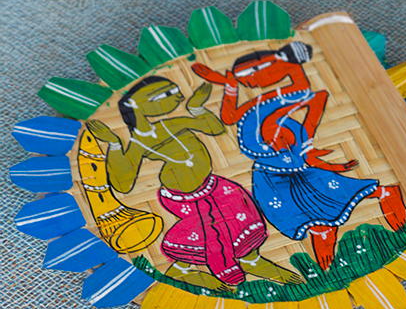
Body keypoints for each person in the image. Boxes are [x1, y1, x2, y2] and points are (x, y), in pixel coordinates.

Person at [192, 43, 406, 270]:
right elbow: (228, 117)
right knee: (302, 216)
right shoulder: (257, 102)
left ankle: (395, 217)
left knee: (339, 193)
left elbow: (318, 97)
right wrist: (230, 85)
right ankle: (327, 262)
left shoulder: (291, 93)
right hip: (268, 168)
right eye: (242, 76)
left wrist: (305, 146)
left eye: (250, 73)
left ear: (278, 65)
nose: (248, 80)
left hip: (291, 157)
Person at [86, 76, 301, 289]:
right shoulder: (139, 143)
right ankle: (185, 271)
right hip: (185, 198)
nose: (177, 96)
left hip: (215, 186)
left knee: (239, 222)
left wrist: (197, 108)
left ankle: (251, 260)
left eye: (174, 92)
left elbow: (214, 128)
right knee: (209, 232)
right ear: (134, 105)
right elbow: (123, 184)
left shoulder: (173, 123)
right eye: (165, 94)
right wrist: (114, 145)